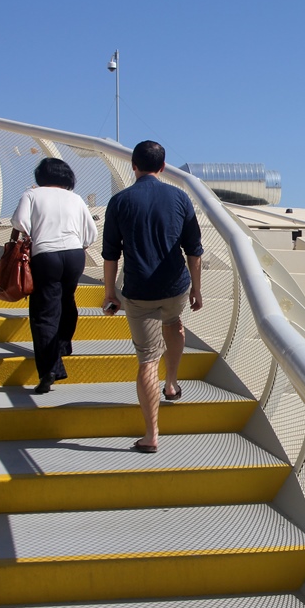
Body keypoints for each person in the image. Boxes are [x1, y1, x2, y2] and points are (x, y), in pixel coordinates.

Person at [101, 140, 203, 453]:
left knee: (147, 359)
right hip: (175, 288)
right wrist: (197, 289)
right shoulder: (180, 198)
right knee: (173, 322)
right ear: (162, 167)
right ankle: (171, 383)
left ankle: (152, 435)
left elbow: (110, 255)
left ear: (134, 166)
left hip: (139, 291)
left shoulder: (119, 201)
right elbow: (194, 250)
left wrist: (109, 293)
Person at [11, 158, 98, 394]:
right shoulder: (76, 198)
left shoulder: (33, 194)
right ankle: (62, 345)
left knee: (43, 313)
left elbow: (19, 222)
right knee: (66, 300)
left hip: (46, 255)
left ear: (41, 176)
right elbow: (91, 233)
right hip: (74, 255)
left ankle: (50, 369)